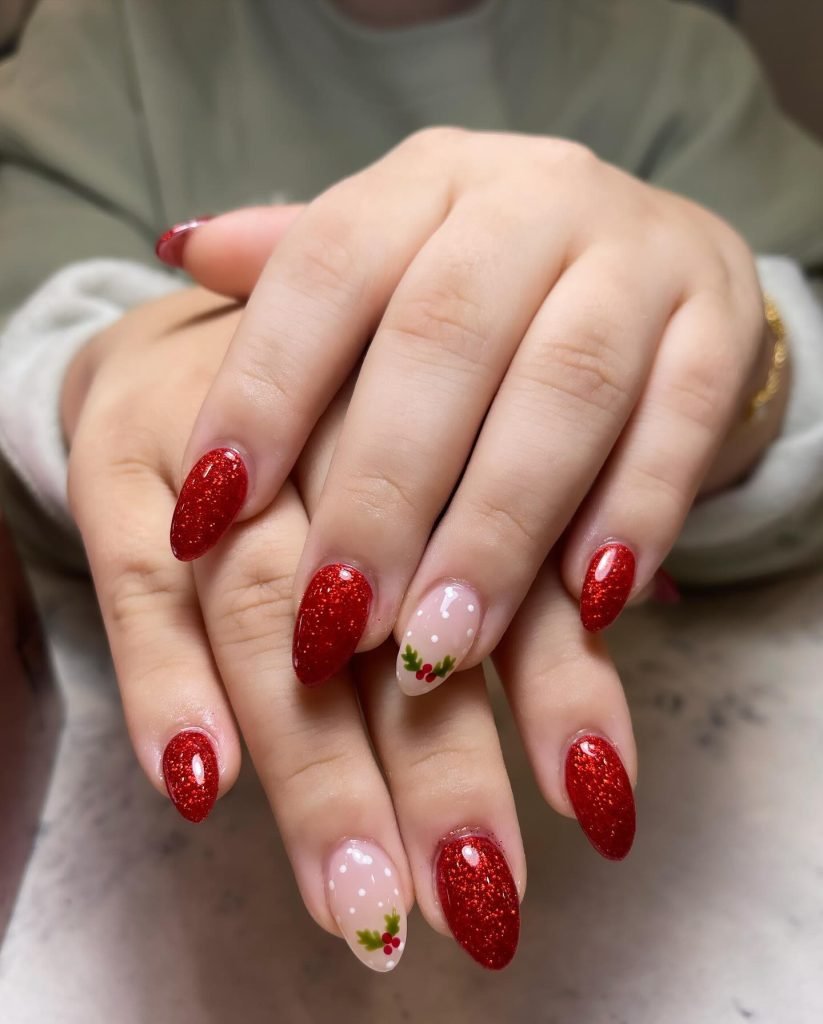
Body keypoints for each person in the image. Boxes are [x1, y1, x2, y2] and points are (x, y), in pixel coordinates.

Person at [0, 0, 821, 974]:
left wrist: (731, 375)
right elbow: (28, 282)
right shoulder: (107, 36)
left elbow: (795, 314)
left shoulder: (674, 54)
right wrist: (114, 373)